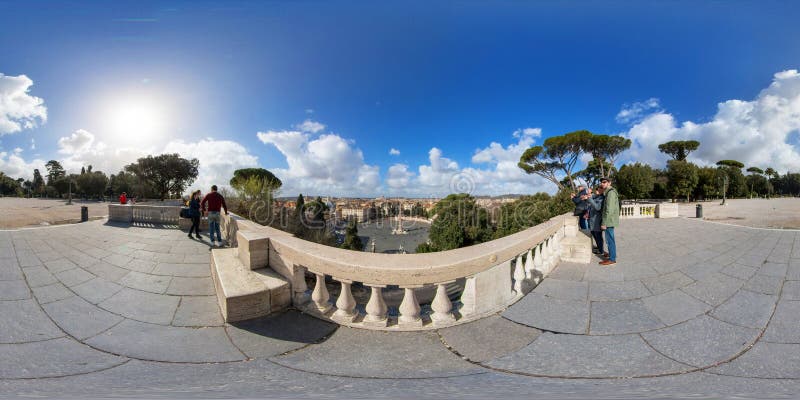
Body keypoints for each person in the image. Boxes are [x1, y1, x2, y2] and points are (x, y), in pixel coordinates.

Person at [599, 176, 620, 266]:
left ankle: (612, 259)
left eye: (604, 182)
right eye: (602, 182)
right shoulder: (608, 193)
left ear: (609, 183)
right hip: (610, 220)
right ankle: (612, 256)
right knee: (610, 239)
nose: (602, 184)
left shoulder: (611, 193)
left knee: (609, 239)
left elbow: (609, 209)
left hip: (609, 221)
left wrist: (604, 223)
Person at [582, 186, 605, 256]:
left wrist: (589, 199)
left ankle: (601, 251)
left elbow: (597, 207)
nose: (597, 191)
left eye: (599, 189)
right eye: (597, 189)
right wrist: (586, 199)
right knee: (594, 234)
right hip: (592, 220)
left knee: (598, 236)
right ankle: (599, 248)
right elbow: (591, 204)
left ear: (602, 190)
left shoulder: (602, 198)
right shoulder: (596, 197)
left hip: (597, 221)